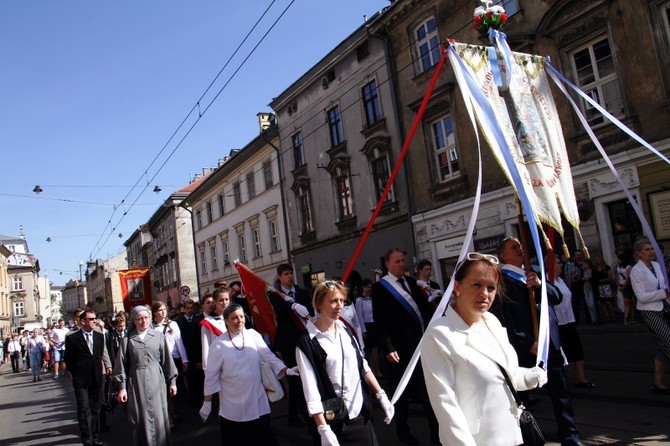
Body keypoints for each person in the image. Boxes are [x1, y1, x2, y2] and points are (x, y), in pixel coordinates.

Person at [421, 253, 547, 445]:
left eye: (491, 287)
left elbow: (504, 375)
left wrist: (530, 376)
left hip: (513, 435)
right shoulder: (439, 334)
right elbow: (445, 405)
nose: (485, 294)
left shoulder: (492, 322)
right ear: (457, 287)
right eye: (477, 285)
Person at [493, 236, 585, 446]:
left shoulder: (535, 270)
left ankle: (569, 435)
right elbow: (506, 317)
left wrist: (540, 284)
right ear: (503, 255)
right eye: (514, 247)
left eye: (521, 245)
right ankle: (525, 437)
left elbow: (556, 297)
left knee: (560, 392)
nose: (520, 249)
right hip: (525, 347)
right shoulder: (501, 279)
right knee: (521, 396)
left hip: (548, 342)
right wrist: (527, 343)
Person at [296, 281, 394, 446]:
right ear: (318, 304)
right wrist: (323, 428)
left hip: (359, 415)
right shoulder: (307, 343)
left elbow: (362, 365)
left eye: (342, 300)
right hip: (333, 421)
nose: (339, 306)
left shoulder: (346, 331)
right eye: (333, 301)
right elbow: (310, 390)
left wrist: (381, 395)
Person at [199, 303, 295, 446]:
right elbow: (211, 376)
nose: (239, 321)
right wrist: (207, 402)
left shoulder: (253, 335)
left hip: (257, 399)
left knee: (263, 438)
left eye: (241, 316)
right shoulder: (218, 345)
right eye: (234, 318)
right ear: (226, 321)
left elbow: (269, 357)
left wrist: (286, 370)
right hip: (232, 404)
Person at [372, 248, 439, 445]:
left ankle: (436, 433)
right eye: (397, 261)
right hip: (398, 351)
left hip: (420, 347)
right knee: (401, 393)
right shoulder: (380, 288)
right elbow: (380, 322)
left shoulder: (411, 283)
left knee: (428, 392)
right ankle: (403, 431)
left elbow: (424, 313)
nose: (402, 264)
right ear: (388, 264)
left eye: (403, 260)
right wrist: (388, 347)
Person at [114, 305, 178, 445]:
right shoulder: (127, 340)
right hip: (136, 381)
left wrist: (172, 382)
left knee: (159, 415)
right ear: (134, 321)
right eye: (139, 319)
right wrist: (122, 387)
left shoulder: (158, 336)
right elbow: (121, 365)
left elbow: (167, 360)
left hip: (157, 380)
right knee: (140, 417)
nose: (143, 321)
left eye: (146, 318)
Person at [268, 263, 314, 428]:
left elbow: (310, 311)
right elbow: (281, 308)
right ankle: (308, 420)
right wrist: (292, 304)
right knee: (296, 379)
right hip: (287, 342)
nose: (290, 276)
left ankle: (293, 415)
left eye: (291, 273)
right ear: (279, 277)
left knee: (303, 378)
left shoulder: (301, 292)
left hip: (303, 338)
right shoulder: (275, 295)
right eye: (286, 274)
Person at [64, 309, 113, 446]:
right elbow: (69, 358)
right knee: (84, 408)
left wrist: (107, 367)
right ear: (83, 321)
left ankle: (96, 437)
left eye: (94, 318)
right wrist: (75, 373)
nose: (94, 321)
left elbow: (100, 355)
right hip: (81, 379)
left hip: (97, 377)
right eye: (91, 319)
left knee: (96, 408)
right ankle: (87, 438)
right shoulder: (72, 338)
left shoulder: (99, 336)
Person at [547, 254, 596, 388]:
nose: (561, 265)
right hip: (557, 324)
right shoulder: (546, 281)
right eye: (558, 263)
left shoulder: (561, 280)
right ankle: (559, 382)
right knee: (561, 354)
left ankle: (581, 378)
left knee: (577, 349)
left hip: (569, 320)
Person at [629, 237, 670, 394]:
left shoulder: (656, 265)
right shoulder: (636, 271)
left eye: (652, 249)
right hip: (649, 311)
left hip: (663, 308)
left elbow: (663, 283)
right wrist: (662, 293)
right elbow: (641, 296)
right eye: (647, 249)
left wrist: (664, 292)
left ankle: (657, 383)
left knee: (661, 347)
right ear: (639, 253)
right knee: (668, 339)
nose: (651, 252)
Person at [152, 301, 189, 429]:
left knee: (176, 388)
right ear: (154, 312)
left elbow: (179, 342)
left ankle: (175, 411)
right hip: (160, 362)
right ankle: (168, 416)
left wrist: (185, 359)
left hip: (174, 359)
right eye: (160, 310)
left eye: (164, 309)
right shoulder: (152, 328)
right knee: (164, 390)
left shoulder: (172, 325)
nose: (163, 312)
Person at [175, 298, 204, 406]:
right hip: (186, 353)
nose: (190, 310)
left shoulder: (197, 320)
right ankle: (191, 398)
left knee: (198, 377)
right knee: (189, 377)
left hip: (196, 353)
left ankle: (199, 398)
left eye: (192, 308)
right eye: (188, 308)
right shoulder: (179, 322)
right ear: (184, 309)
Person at [355, 279, 382, 378]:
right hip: (367, 326)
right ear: (363, 287)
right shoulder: (359, 300)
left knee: (376, 349)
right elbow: (359, 316)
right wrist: (363, 330)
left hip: (374, 324)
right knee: (373, 348)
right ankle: (377, 371)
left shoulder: (371, 299)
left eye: (370, 287)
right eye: (367, 287)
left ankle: (373, 369)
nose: (369, 289)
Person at [201, 287, 229, 370]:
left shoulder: (236, 318)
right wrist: (206, 369)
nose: (224, 303)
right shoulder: (208, 322)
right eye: (221, 300)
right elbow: (206, 347)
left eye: (227, 299)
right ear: (215, 302)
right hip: (219, 363)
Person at [593, 254, 617, 322]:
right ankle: (607, 316)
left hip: (606, 286)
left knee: (608, 302)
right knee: (602, 302)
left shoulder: (606, 267)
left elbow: (610, 276)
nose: (596, 260)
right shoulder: (595, 268)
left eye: (597, 259)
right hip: (599, 286)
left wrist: (603, 280)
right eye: (595, 259)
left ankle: (613, 315)